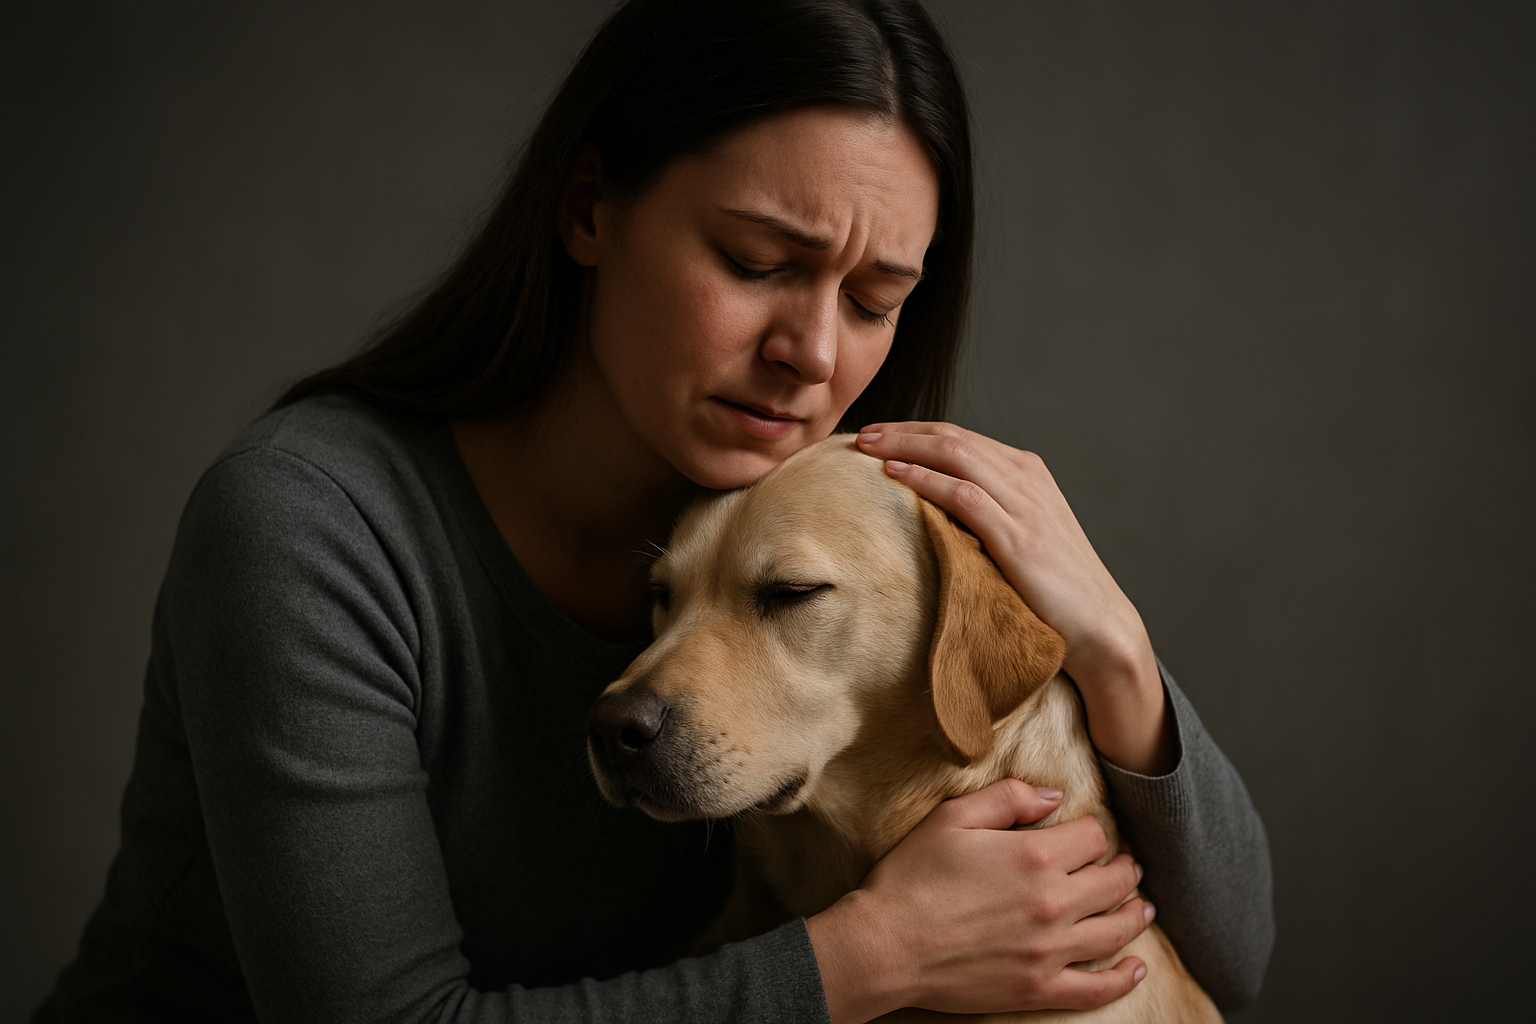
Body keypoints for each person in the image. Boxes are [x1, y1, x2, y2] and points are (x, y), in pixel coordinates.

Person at [35, 1, 1273, 1021]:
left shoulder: (821, 528)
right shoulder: (309, 524)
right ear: (588, 208)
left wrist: (1113, 645)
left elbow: (1231, 952)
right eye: (755, 262)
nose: (813, 352)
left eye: (877, 295)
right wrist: (877, 953)